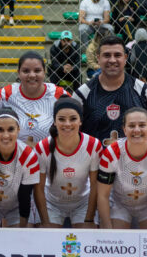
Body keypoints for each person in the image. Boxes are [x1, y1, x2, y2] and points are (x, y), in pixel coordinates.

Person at [73, 34, 147, 145]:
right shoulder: (81, 95)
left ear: (125, 58)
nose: (112, 60)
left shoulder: (144, 91)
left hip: (135, 161)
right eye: (107, 55)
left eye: (117, 55)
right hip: (95, 161)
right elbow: (73, 134)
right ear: (98, 58)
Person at [97, 107, 147, 229]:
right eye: (131, 126)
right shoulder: (112, 152)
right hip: (119, 204)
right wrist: (108, 232)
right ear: (124, 130)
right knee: (115, 243)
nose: (137, 130)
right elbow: (103, 195)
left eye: (142, 125)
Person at [33, 97, 102, 228]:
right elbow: (39, 188)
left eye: (73, 119)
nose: (67, 124)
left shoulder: (93, 145)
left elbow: (95, 186)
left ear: (81, 121)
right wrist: (45, 221)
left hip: (83, 202)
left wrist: (88, 219)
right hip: (51, 203)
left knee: (86, 236)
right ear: (54, 121)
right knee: (48, 239)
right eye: (61, 119)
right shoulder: (43, 147)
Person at [0, 52, 70, 150]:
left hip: (48, 157)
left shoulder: (58, 94)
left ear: (44, 72)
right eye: (26, 71)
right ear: (18, 73)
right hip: (16, 158)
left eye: (37, 70)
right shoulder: (6, 94)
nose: (32, 75)